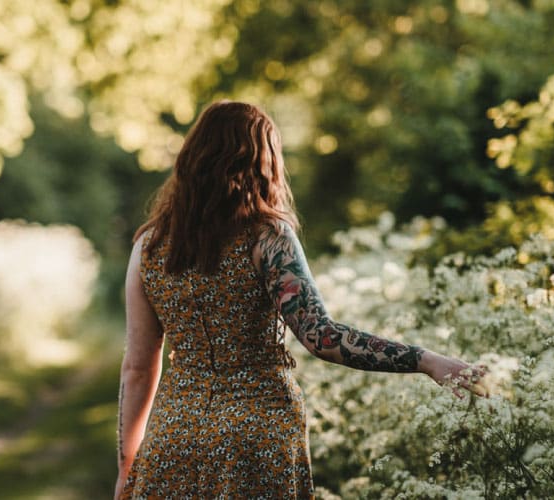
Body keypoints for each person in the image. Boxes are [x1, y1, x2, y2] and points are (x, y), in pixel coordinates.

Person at [116, 101, 486, 499]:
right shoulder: (267, 236)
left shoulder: (149, 246)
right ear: (261, 161)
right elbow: (321, 337)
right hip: (257, 436)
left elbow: (138, 368)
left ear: (192, 160)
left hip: (175, 436)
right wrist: (425, 360)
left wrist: (127, 466)